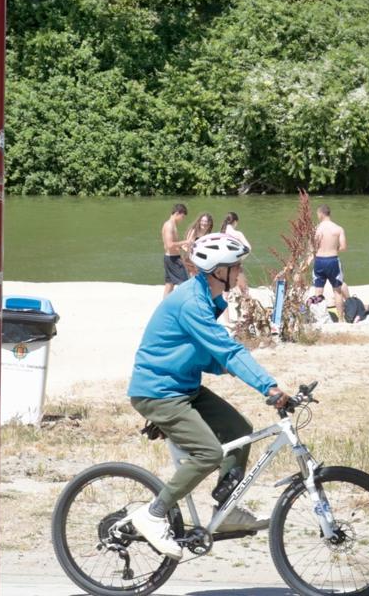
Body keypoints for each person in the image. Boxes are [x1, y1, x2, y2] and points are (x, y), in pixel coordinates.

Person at [128, 232, 289, 560]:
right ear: (219, 271)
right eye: (236, 267)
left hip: (183, 386)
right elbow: (227, 350)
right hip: (158, 392)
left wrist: (230, 367)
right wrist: (267, 386)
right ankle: (154, 513)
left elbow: (199, 352)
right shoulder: (192, 302)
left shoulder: (204, 298)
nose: (239, 272)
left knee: (240, 433)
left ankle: (226, 509)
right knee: (207, 453)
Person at [310, 204, 349, 316]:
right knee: (337, 291)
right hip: (332, 260)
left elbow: (312, 249)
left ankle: (319, 317)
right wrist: (334, 248)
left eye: (317, 214)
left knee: (318, 291)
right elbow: (343, 247)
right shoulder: (338, 228)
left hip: (319, 260)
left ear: (321, 214)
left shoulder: (315, 229)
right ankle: (341, 319)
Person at [161, 204, 189, 297]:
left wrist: (182, 247)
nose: (183, 219)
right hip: (173, 260)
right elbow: (169, 245)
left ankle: (164, 305)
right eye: (182, 217)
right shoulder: (169, 225)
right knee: (185, 283)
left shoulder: (172, 224)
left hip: (170, 258)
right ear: (177, 213)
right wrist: (186, 241)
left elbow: (173, 243)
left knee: (169, 284)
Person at [221, 211, 252, 295]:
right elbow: (248, 248)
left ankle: (224, 306)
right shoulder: (237, 234)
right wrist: (240, 259)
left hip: (223, 265)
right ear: (235, 222)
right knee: (244, 289)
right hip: (235, 264)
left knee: (225, 288)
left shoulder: (221, 234)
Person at [181, 212, 215, 276]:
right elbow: (187, 244)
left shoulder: (208, 234)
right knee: (194, 276)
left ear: (209, 223)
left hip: (201, 258)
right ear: (199, 221)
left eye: (205, 221)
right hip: (190, 257)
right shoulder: (194, 230)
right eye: (202, 221)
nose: (203, 223)